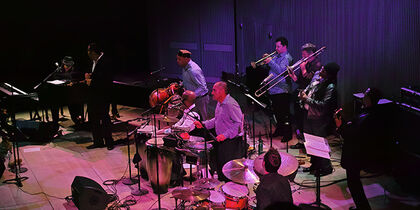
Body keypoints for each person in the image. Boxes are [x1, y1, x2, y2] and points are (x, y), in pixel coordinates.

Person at [335, 87, 392, 210]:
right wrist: (345, 123)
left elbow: (352, 135)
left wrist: (340, 126)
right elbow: (354, 128)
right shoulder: (371, 112)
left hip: (356, 155)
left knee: (353, 183)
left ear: (370, 99)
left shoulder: (368, 116)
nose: (363, 97)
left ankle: (363, 208)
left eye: (366, 96)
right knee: (354, 183)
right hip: (358, 154)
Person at [193, 81, 244, 181]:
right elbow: (217, 120)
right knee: (220, 167)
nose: (212, 93)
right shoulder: (220, 103)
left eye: (214, 90)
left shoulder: (230, 104)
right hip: (222, 139)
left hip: (231, 143)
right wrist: (204, 124)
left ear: (221, 92)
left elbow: (238, 124)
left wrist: (225, 135)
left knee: (228, 171)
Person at [297, 62, 340, 175]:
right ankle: (315, 165)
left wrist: (306, 99)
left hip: (320, 119)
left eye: (324, 70)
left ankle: (326, 168)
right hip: (310, 114)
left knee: (319, 143)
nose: (321, 70)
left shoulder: (330, 86)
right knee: (311, 143)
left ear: (329, 74)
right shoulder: (321, 81)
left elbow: (323, 105)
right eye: (322, 68)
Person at [254, 37, 293, 141]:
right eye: (276, 46)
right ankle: (279, 130)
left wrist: (270, 61)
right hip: (274, 88)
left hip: (283, 90)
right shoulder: (277, 56)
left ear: (285, 46)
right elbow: (272, 68)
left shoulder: (287, 58)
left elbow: (280, 70)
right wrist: (266, 61)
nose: (276, 48)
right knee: (277, 113)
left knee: (284, 114)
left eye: (278, 46)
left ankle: (287, 134)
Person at [289, 43, 322, 149]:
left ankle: (307, 143)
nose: (302, 57)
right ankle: (301, 140)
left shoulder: (317, 65)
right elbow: (300, 81)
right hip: (301, 93)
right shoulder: (307, 63)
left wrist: (303, 68)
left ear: (311, 54)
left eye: (304, 54)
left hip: (309, 96)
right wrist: (293, 75)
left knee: (305, 120)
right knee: (298, 118)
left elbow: (310, 81)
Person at [85, 43, 114, 150]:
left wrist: (91, 82)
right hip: (93, 95)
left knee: (104, 118)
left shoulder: (106, 61)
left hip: (103, 95)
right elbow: (95, 75)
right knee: (94, 118)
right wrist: (89, 77)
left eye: (89, 51)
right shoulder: (92, 62)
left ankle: (109, 142)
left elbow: (106, 80)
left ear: (93, 52)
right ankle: (98, 141)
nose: (87, 53)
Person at [50, 56, 85, 128]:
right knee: (54, 103)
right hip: (62, 93)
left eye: (69, 65)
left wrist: (68, 79)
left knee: (73, 104)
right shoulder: (59, 70)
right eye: (66, 65)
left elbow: (75, 75)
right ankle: (55, 122)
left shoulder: (75, 70)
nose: (67, 67)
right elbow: (55, 76)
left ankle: (76, 119)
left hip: (73, 94)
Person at [177, 50, 209, 120]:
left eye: (180, 59)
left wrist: (191, 95)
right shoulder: (184, 67)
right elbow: (189, 81)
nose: (177, 61)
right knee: (192, 120)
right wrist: (181, 85)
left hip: (200, 98)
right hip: (192, 99)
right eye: (177, 59)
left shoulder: (194, 70)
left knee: (203, 121)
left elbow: (203, 87)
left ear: (186, 59)